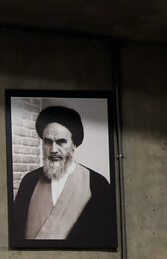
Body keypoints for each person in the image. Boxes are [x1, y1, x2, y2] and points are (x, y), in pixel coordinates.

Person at [10, 105, 116, 246]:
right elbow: (15, 233)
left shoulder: (97, 184)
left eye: (61, 142)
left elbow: (106, 239)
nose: (53, 149)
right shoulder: (29, 181)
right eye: (48, 142)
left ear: (74, 144)